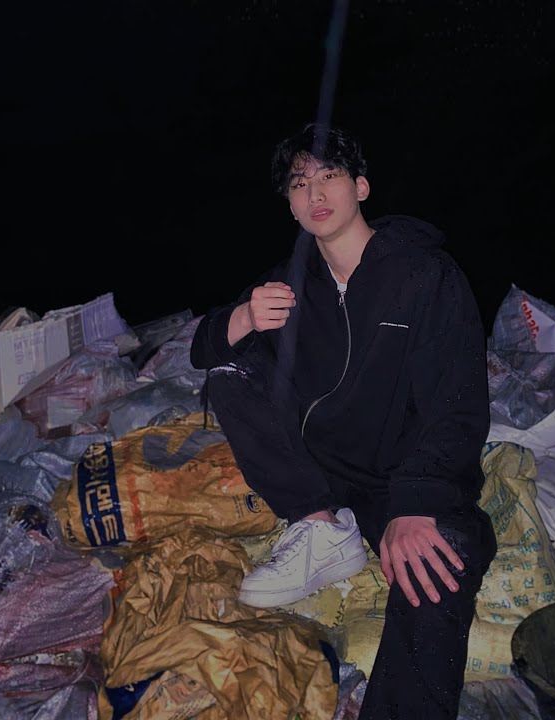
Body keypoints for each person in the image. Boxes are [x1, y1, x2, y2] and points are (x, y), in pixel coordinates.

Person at [189, 123, 496, 719]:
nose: (315, 192)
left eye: (329, 175)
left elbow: (458, 403)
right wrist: (243, 317)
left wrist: (416, 503)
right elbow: (205, 351)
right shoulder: (291, 282)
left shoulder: (424, 276)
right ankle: (319, 527)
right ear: (290, 203)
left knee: (440, 563)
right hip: (322, 474)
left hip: (397, 479)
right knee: (229, 369)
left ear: (360, 186)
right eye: (299, 183)